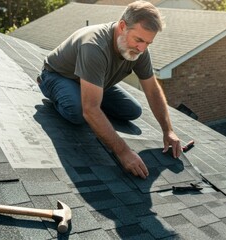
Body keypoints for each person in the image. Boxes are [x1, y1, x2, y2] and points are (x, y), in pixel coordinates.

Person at [37, 0, 181, 179]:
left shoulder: (140, 50)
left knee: (133, 110)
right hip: (58, 76)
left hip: (95, 81)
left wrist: (168, 130)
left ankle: (90, 95)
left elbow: (152, 90)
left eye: (148, 43)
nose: (142, 48)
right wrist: (124, 152)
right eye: (138, 40)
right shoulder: (94, 46)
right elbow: (90, 110)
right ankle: (62, 92)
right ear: (122, 26)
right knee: (80, 112)